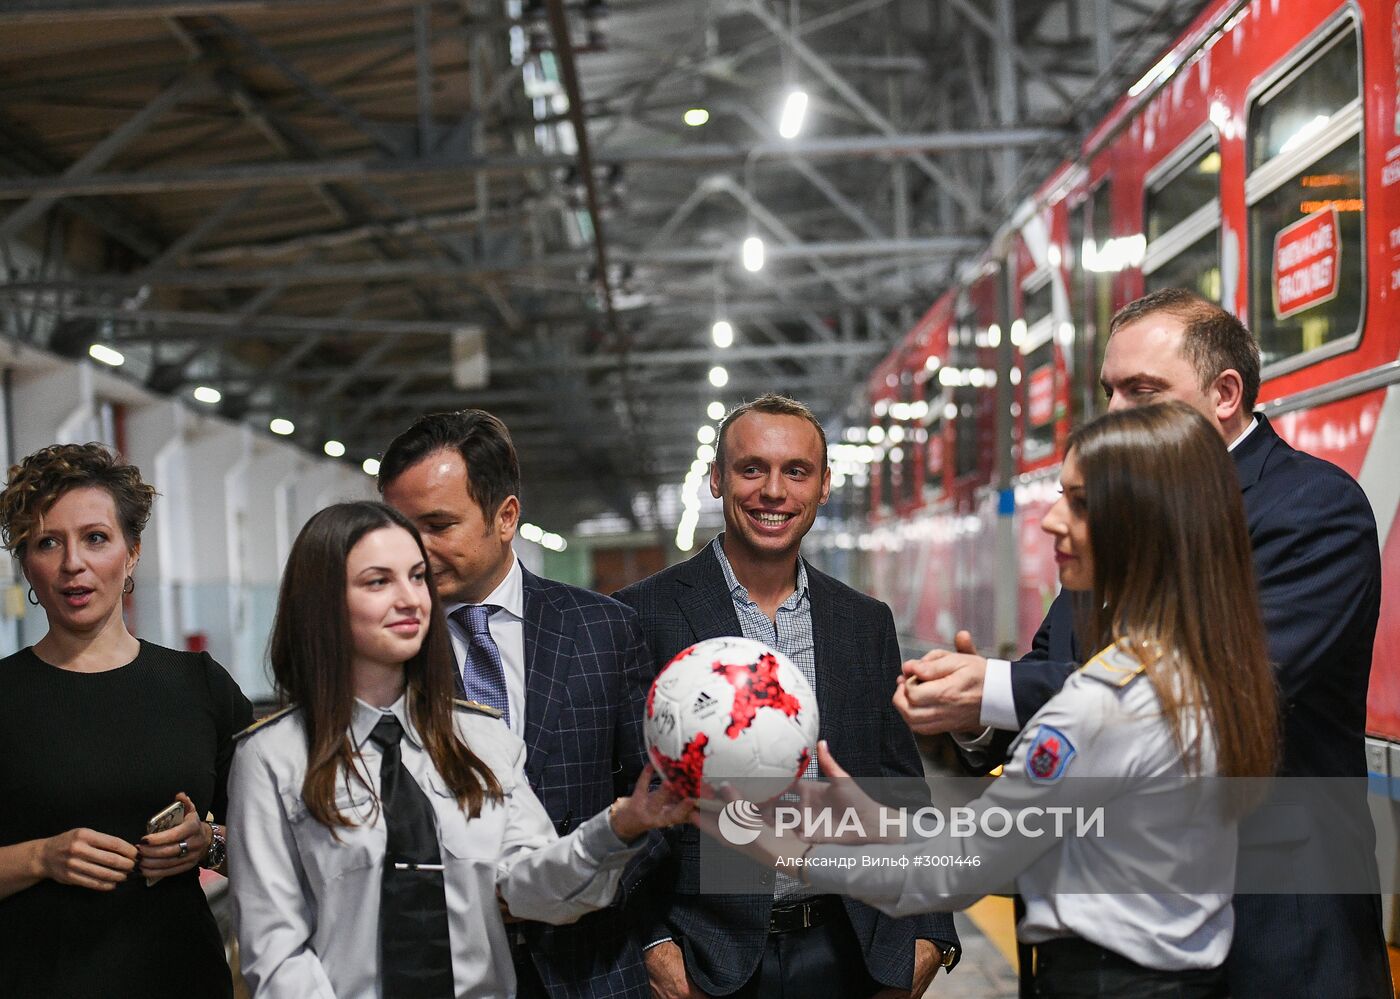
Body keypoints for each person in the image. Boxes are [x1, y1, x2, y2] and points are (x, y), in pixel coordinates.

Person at [897, 288, 1390, 997]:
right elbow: (1054, 670)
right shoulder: (1119, 509)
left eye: (1143, 390)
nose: (1117, 412)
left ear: (1225, 393)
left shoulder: (1312, 509)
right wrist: (977, 716)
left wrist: (999, 688)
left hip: (1268, 941)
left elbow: (1221, 689)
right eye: (1110, 391)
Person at [702, 401, 1279, 998]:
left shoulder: (1102, 707)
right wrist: (878, 822)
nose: (1051, 520)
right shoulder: (1206, 671)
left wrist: (797, 852)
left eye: (1079, 504)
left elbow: (958, 868)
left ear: (1146, 524)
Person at [227, 501, 691, 998]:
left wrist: (619, 827)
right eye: (378, 581)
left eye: (417, 576)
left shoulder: (480, 741)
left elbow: (534, 888)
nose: (411, 599)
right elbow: (276, 952)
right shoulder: (272, 759)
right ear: (322, 603)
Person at [615, 394, 959, 999]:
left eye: (795, 471)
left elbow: (902, 787)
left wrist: (930, 934)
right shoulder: (642, 616)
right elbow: (618, 793)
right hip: (707, 961)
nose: (773, 491)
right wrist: (651, 947)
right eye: (752, 469)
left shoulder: (864, 623)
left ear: (823, 485)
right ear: (718, 479)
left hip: (849, 949)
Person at [377, 410, 658, 999]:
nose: (415, 552)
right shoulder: (380, 652)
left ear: (506, 517)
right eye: (400, 529)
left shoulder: (603, 629)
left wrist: (608, 906)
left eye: (438, 524)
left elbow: (653, 798)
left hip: (595, 965)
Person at [0, 442, 253, 998]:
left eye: (95, 537)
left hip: (181, 978)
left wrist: (205, 841)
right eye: (48, 543)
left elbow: (279, 848)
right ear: (26, 565)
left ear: (132, 552)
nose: (73, 563)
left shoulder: (199, 686)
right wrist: (41, 856)